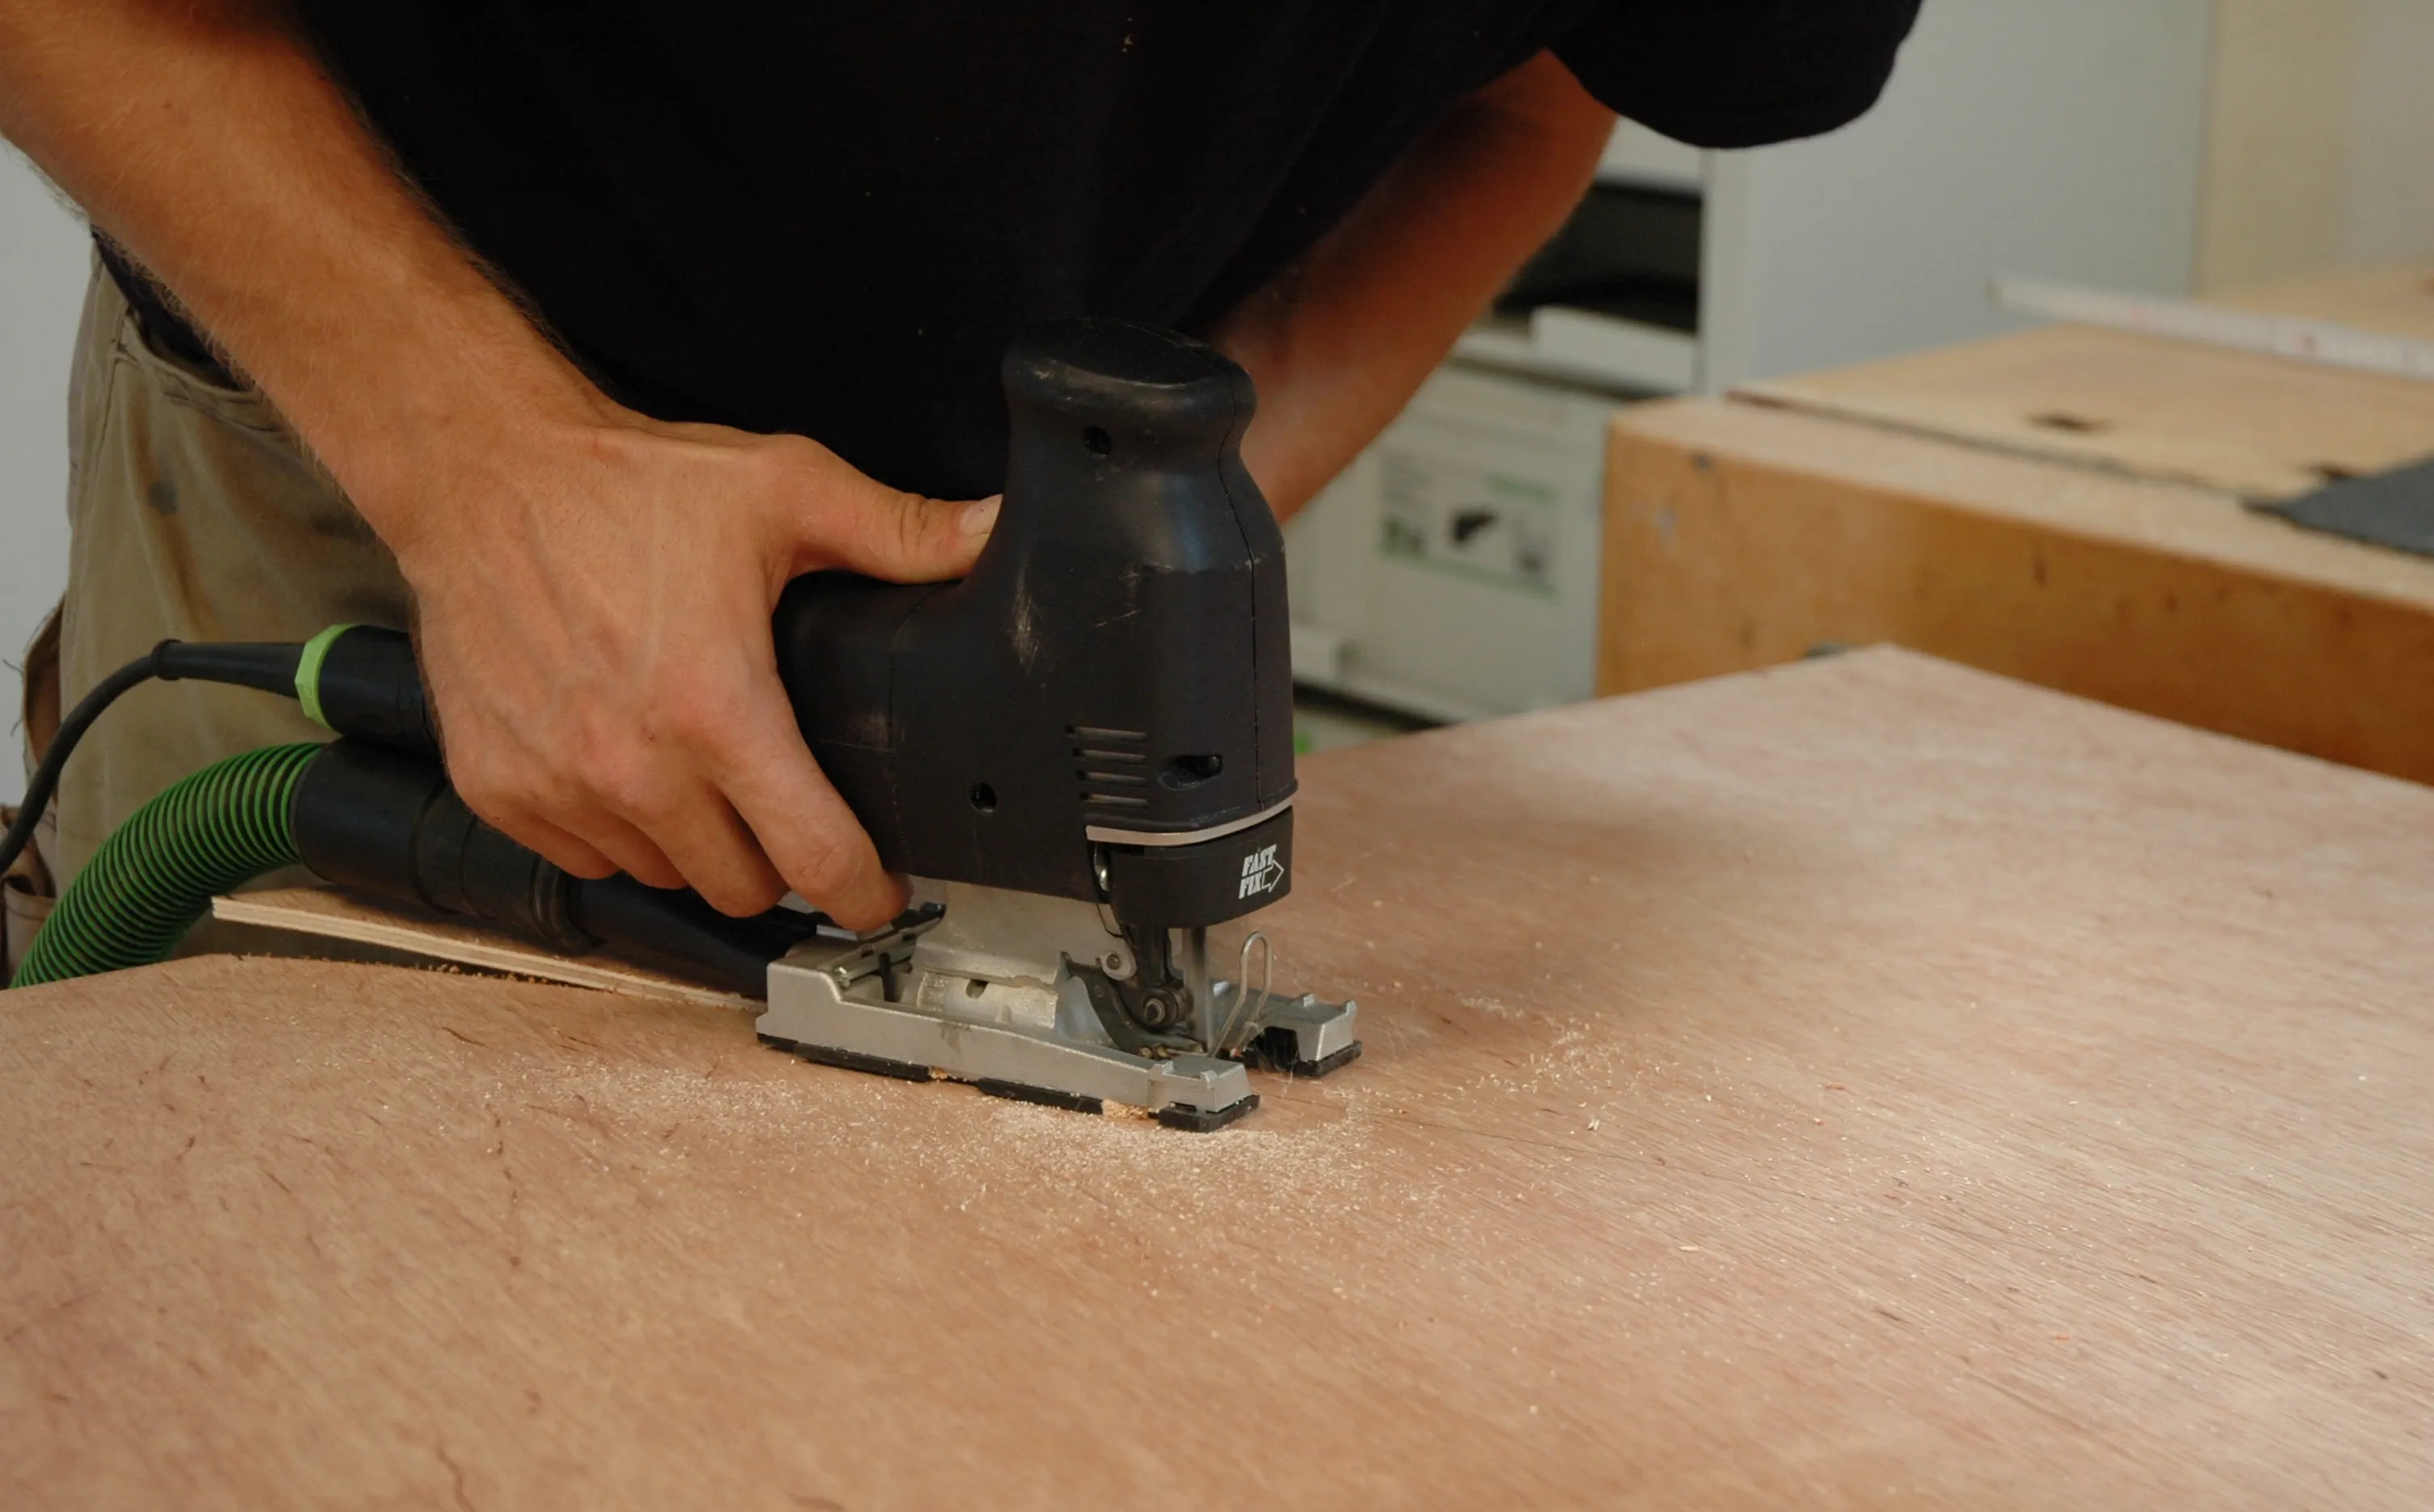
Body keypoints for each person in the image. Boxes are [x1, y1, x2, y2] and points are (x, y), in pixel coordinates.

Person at [0, 0, 1920, 950]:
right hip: (375, 398)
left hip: (995, 538)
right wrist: (485, 475)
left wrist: (1157, 542)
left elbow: (1538, 94)